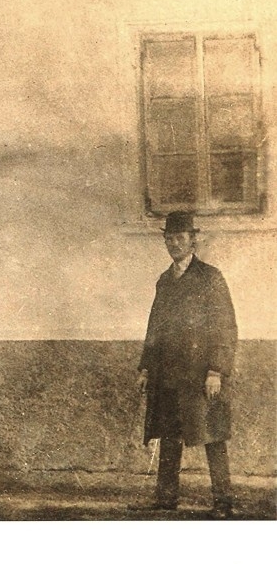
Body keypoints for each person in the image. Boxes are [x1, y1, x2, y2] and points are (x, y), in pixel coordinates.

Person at [134, 211, 238, 519]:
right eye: (169, 239)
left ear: (193, 241)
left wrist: (216, 370)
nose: (174, 244)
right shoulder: (164, 281)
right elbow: (155, 328)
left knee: (212, 436)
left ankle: (223, 501)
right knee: (169, 435)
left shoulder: (210, 277)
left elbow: (225, 327)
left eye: (180, 238)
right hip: (168, 373)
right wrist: (146, 368)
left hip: (200, 375)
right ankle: (166, 498)